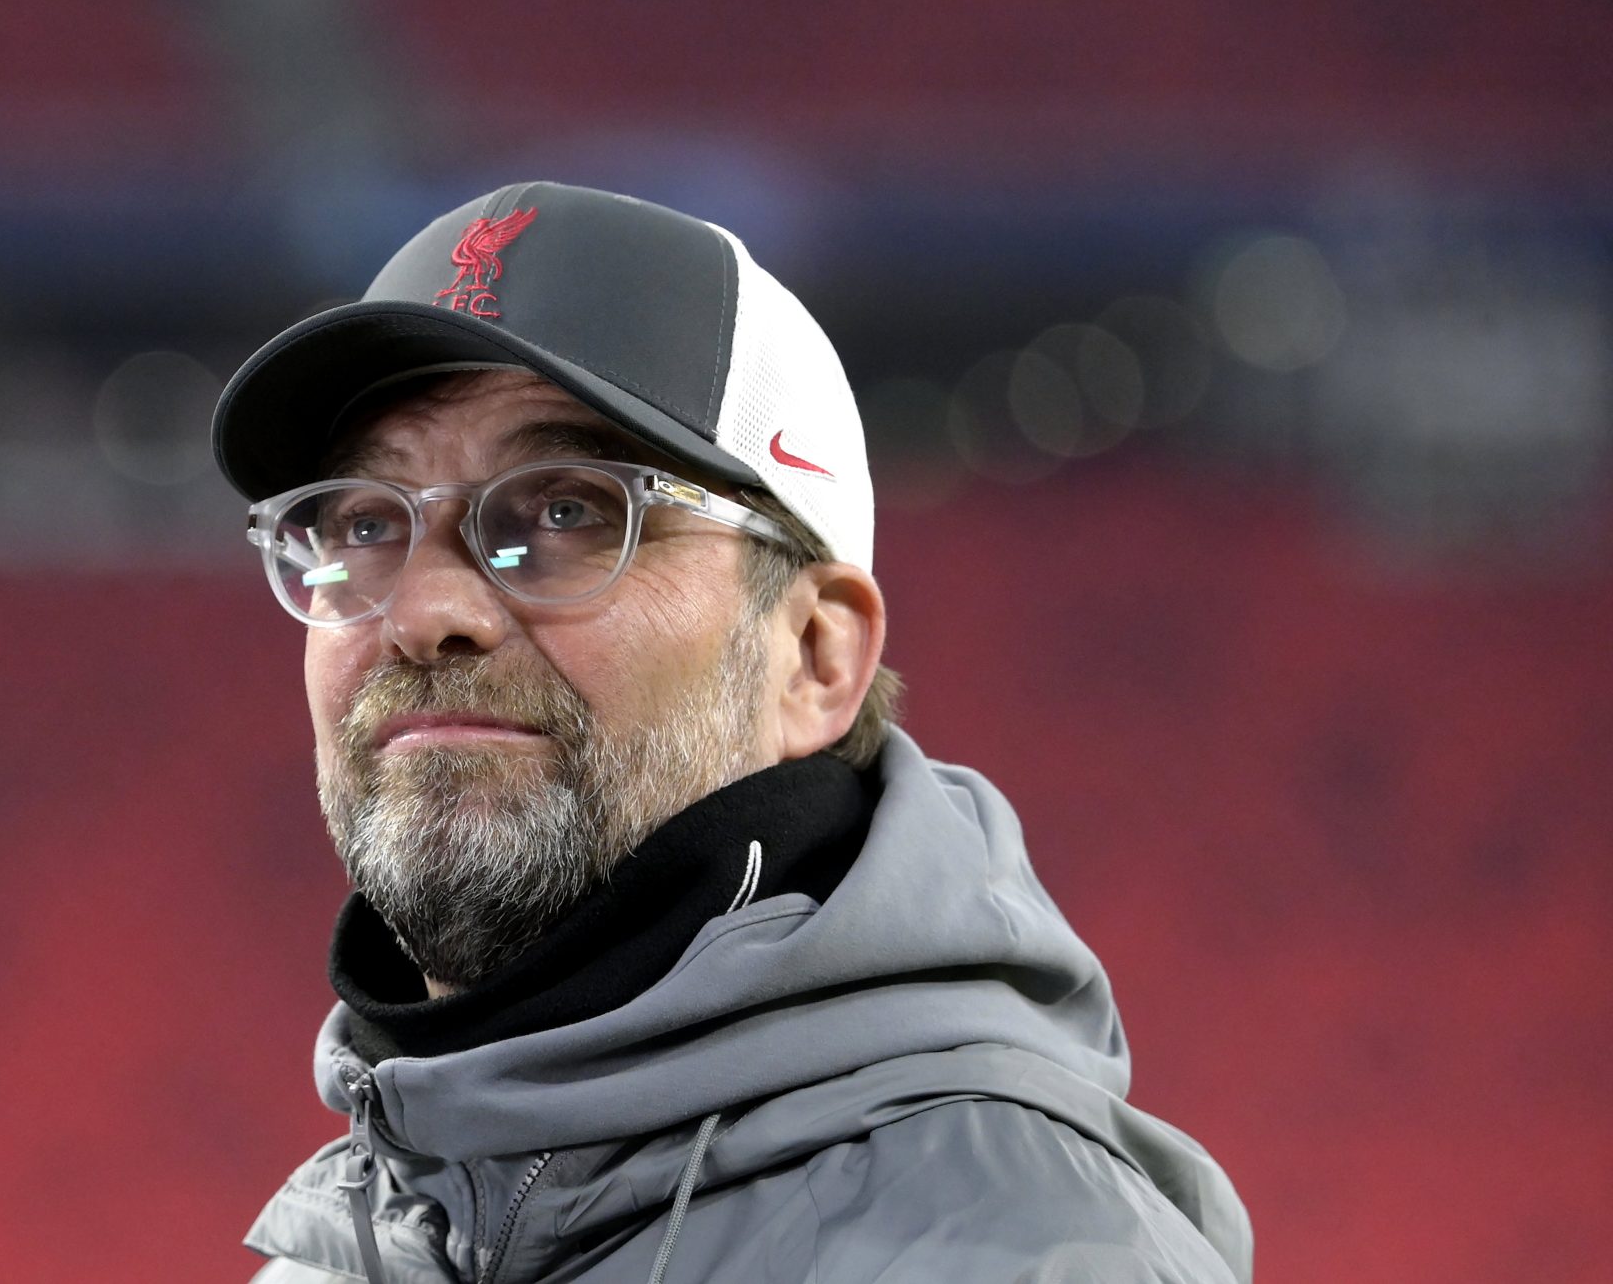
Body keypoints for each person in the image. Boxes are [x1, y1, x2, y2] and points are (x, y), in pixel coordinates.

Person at [211, 182, 1252, 1283]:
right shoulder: (330, 1265)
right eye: (363, 524)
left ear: (813, 656)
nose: (423, 612)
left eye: (566, 510)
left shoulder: (1026, 1259)